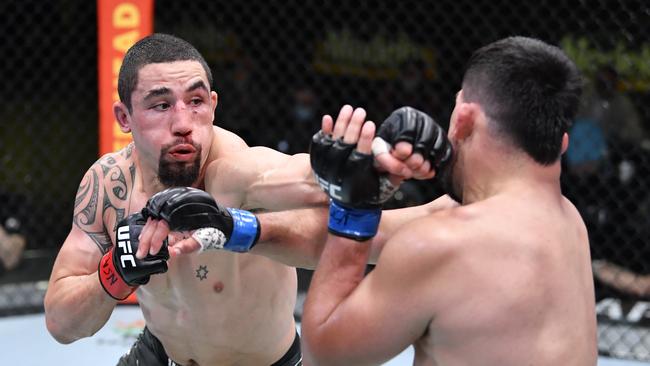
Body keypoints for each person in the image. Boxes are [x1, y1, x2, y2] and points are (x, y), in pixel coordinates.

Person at [43, 33, 441, 366]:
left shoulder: (229, 171)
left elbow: (295, 176)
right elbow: (61, 323)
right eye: (161, 105)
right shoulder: (108, 185)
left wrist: (366, 166)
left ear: (213, 106)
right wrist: (114, 273)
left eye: (196, 102)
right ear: (124, 117)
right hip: (160, 355)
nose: (183, 124)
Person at [301, 36, 598, 365]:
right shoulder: (570, 223)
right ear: (562, 143)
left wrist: (352, 211)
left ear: (465, 120)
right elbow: (386, 234)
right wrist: (246, 228)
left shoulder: (445, 243)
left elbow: (324, 356)